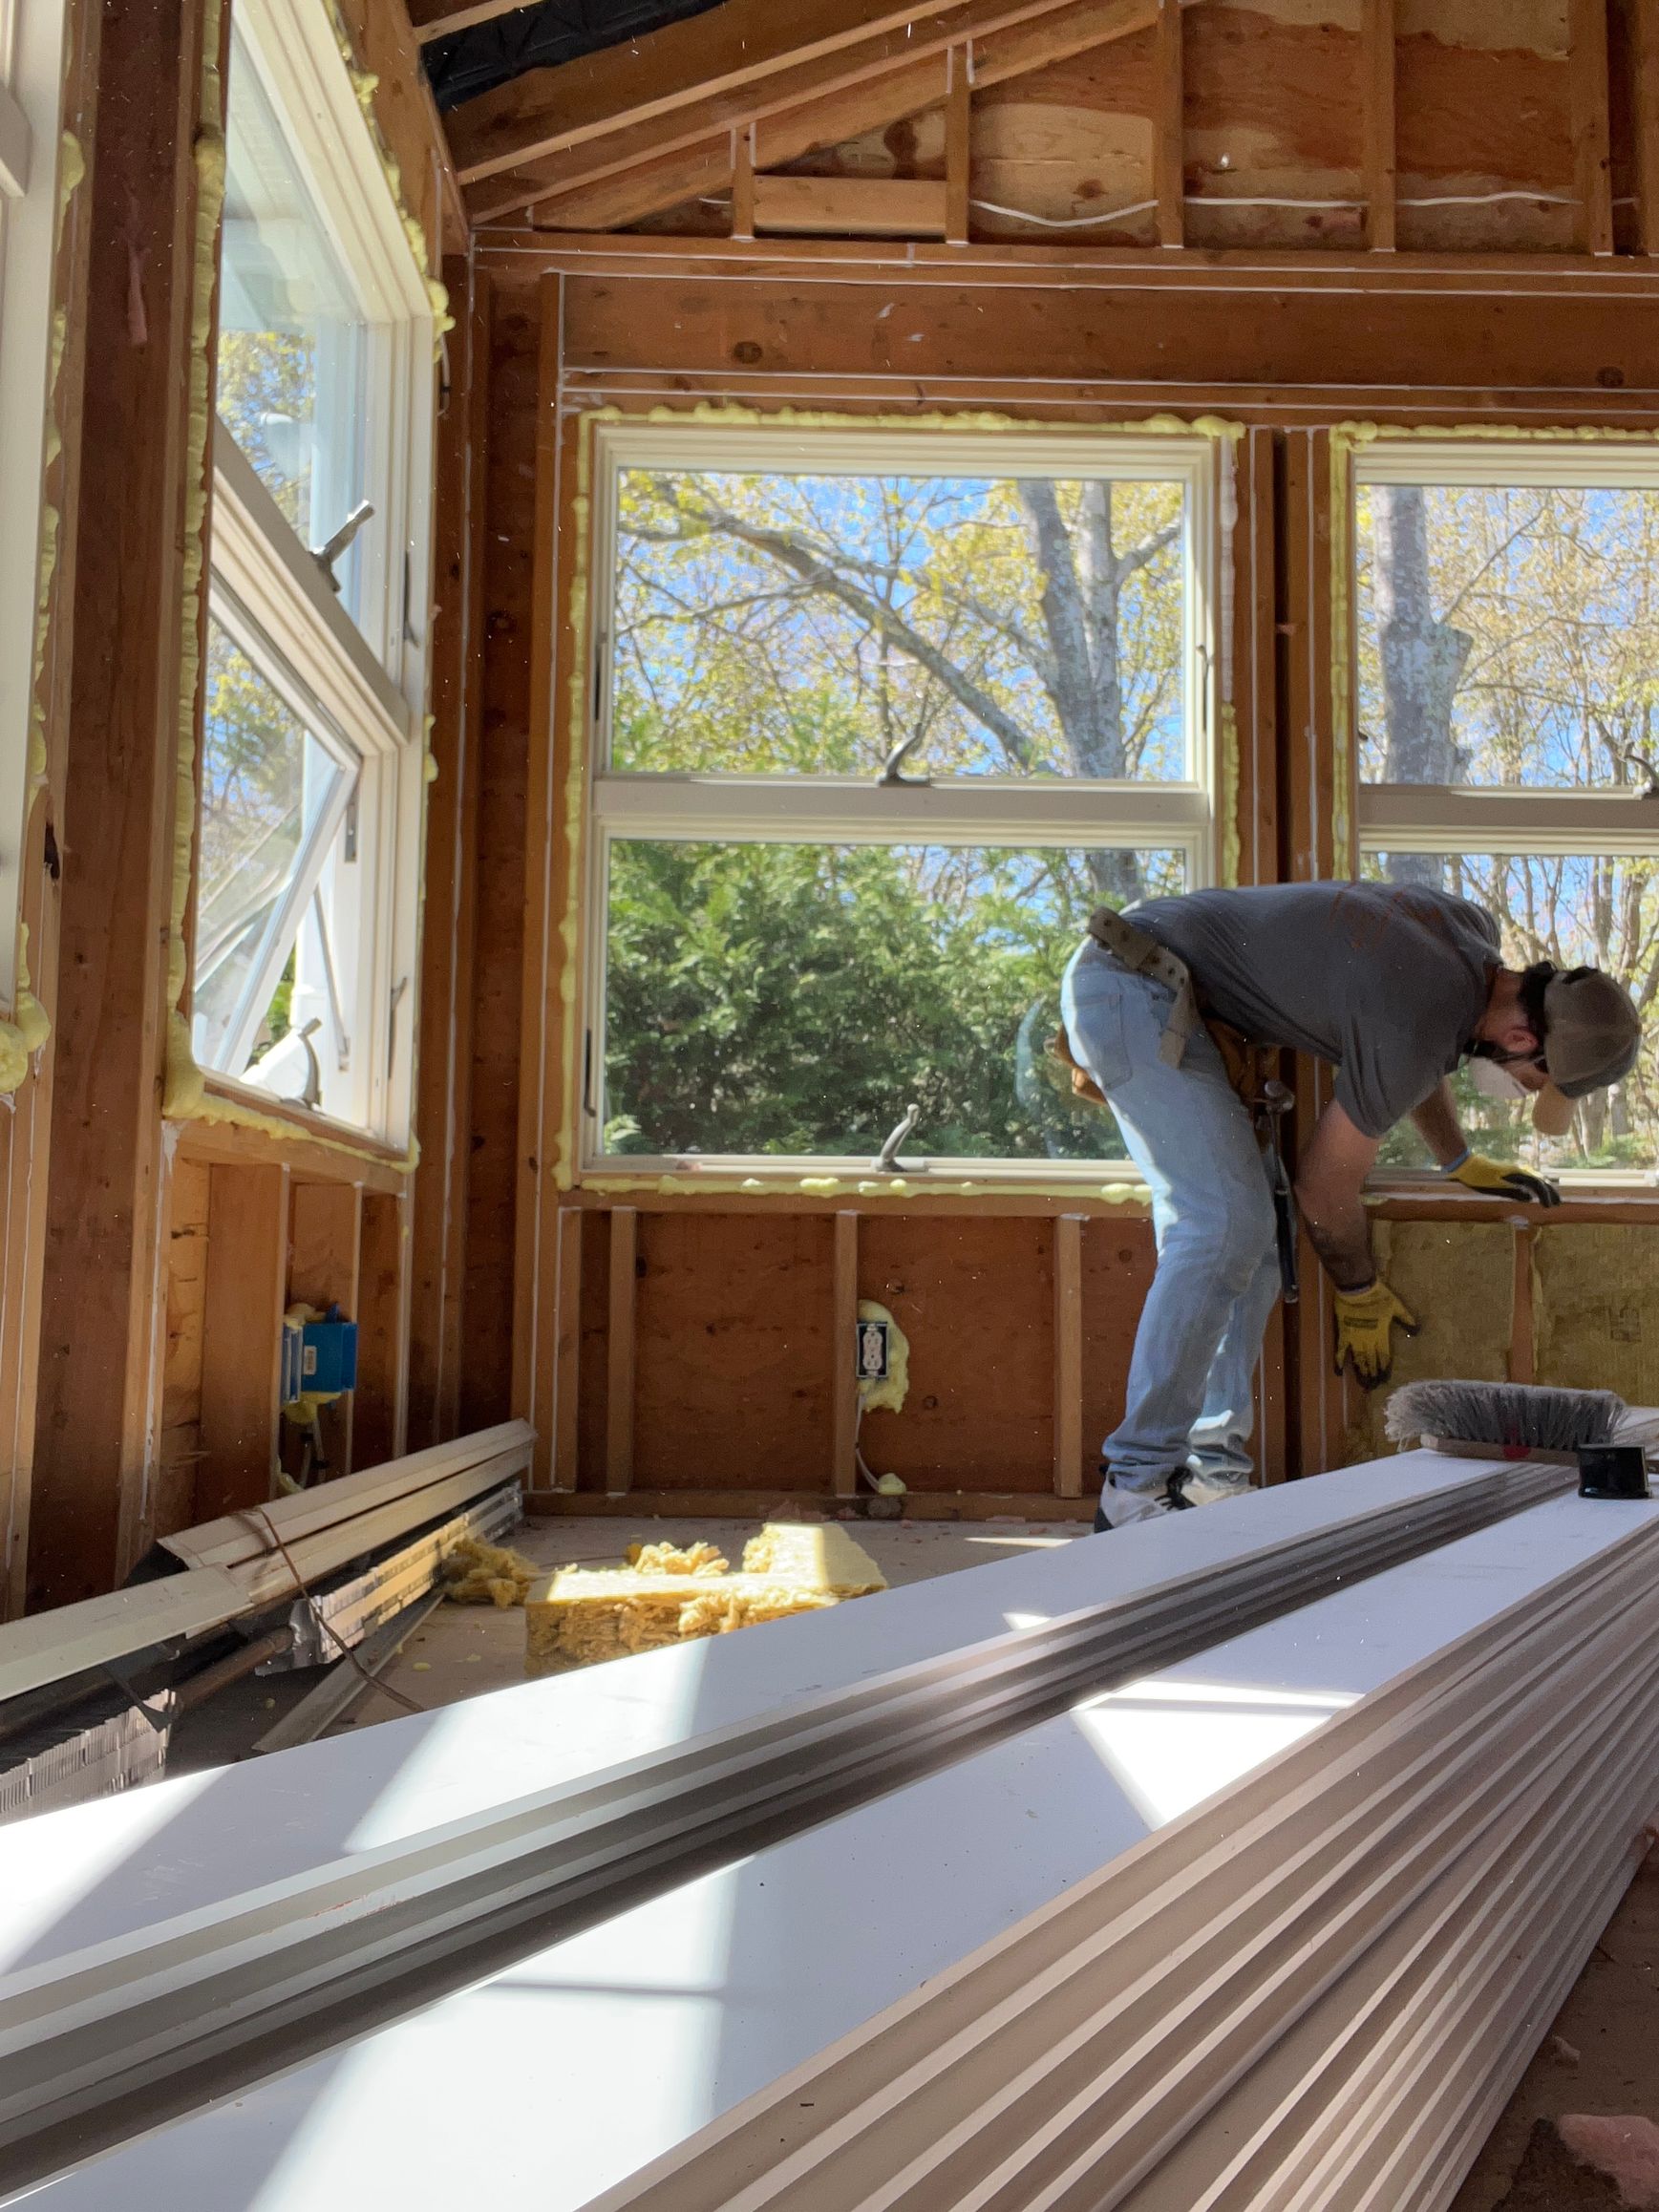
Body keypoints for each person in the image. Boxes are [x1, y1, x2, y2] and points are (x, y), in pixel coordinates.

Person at [1058, 880, 1642, 1532]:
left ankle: (1209, 1477)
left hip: (1163, 978)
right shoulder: (1417, 1016)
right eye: (1534, 1077)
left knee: (1255, 1245)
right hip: (1128, 983)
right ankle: (1135, 1481)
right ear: (1521, 1032)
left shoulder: (1465, 933)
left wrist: (1455, 1158)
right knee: (1223, 1226)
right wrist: (1358, 1287)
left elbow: (1416, 1056)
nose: (1521, 1089)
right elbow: (1324, 1189)